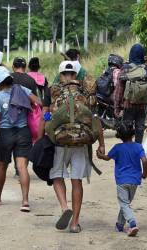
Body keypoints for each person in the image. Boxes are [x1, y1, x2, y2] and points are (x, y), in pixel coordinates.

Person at [40, 61, 105, 233]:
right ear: (75, 75)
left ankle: (64, 208)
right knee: (77, 182)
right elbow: (95, 118)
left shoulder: (53, 90)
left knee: (57, 176)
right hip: (82, 141)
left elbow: (45, 116)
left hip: (60, 141)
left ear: (61, 75)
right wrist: (101, 144)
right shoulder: (86, 92)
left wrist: (41, 138)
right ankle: (75, 223)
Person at [0, 66, 39, 212]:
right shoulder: (21, 89)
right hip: (23, 132)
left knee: (2, 166)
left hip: (5, 134)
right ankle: (25, 201)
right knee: (22, 167)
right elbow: (38, 102)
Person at [97, 121, 147, 237]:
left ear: (119, 135)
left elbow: (106, 158)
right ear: (133, 134)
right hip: (135, 180)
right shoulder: (138, 146)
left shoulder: (117, 148)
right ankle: (119, 225)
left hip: (121, 180)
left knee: (124, 204)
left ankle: (132, 223)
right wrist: (145, 172)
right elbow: (144, 160)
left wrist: (100, 155)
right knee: (125, 203)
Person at [114, 44, 147, 143]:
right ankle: (138, 150)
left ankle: (128, 152)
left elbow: (119, 90)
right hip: (142, 105)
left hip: (128, 106)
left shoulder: (125, 68)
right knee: (140, 129)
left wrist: (117, 107)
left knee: (127, 130)